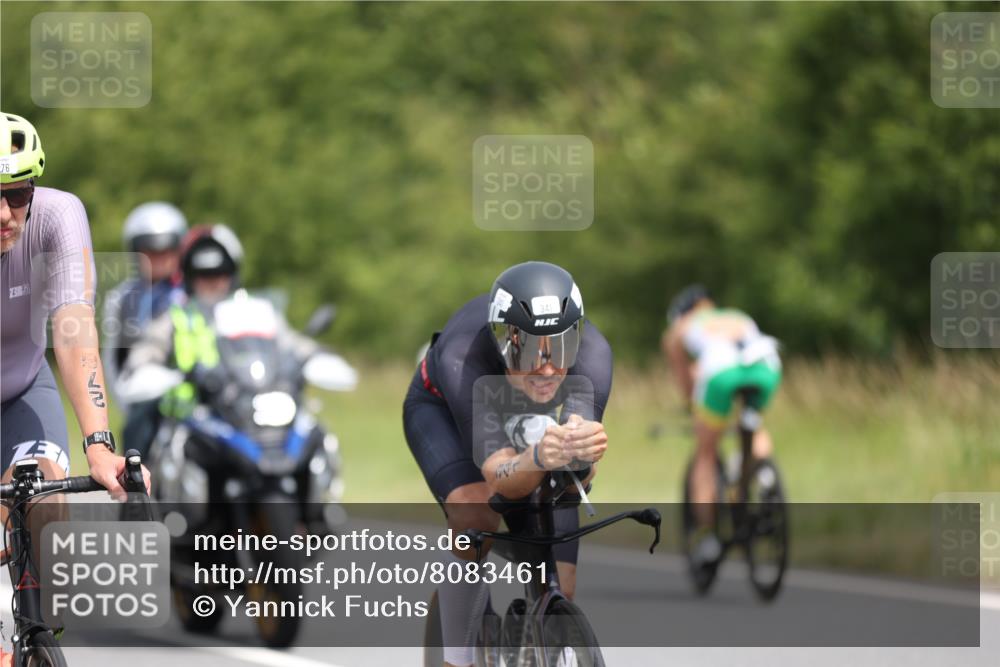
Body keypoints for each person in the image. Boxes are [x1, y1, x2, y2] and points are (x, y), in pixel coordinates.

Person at [403, 261, 612, 667]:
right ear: (504, 340)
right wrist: (536, 458)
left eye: (561, 349)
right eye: (531, 350)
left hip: (529, 420)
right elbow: (499, 476)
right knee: (475, 510)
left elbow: (579, 470)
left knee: (562, 585)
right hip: (443, 409)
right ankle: (457, 657)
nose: (547, 368)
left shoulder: (596, 357)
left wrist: (582, 456)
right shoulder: (464, 357)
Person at [1, 112, 151, 558]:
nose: (4, 214)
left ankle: (36, 627)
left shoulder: (57, 215)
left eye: (16, 194)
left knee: (43, 507)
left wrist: (100, 446)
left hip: (21, 390)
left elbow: (74, 329)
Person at [118, 224, 321, 426]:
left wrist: (317, 358)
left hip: (249, 410)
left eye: (219, 273)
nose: (212, 282)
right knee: (139, 427)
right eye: (203, 275)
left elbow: (291, 342)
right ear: (190, 278)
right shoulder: (176, 316)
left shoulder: (254, 311)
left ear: (232, 275)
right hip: (191, 416)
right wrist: (146, 373)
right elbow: (146, 352)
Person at [661, 284, 782, 564]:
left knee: (705, 451)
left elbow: (684, 380)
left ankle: (707, 537)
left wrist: (696, 411)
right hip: (765, 364)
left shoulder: (679, 328)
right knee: (753, 424)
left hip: (720, 371)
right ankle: (760, 477)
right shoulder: (736, 315)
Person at [103, 202, 187, 457]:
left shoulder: (192, 292)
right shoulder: (123, 297)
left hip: (194, 386)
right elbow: (113, 357)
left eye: (166, 250)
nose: (158, 258)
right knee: (135, 439)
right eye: (149, 250)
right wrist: (127, 399)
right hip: (145, 392)